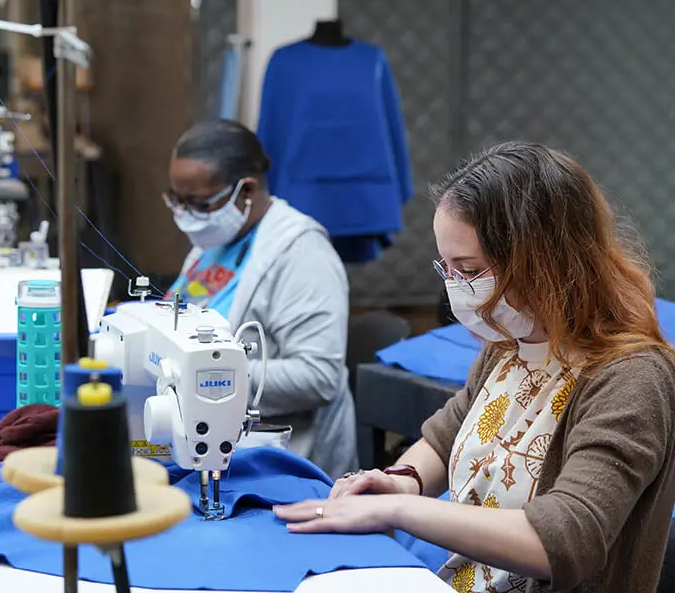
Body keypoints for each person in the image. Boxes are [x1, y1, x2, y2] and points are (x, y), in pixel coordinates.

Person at [274, 142, 675, 592]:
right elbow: (446, 437)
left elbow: (566, 537)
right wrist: (402, 482)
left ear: (544, 263)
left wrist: (398, 511)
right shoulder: (511, 342)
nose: (456, 289)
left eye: (469, 270)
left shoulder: (633, 378)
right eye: (446, 268)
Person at [163, 119, 357, 479]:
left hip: (275, 460)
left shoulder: (302, 253)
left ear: (246, 191)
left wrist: (207, 377)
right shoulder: (213, 243)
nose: (186, 215)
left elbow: (319, 376)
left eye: (199, 203)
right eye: (177, 201)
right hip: (201, 443)